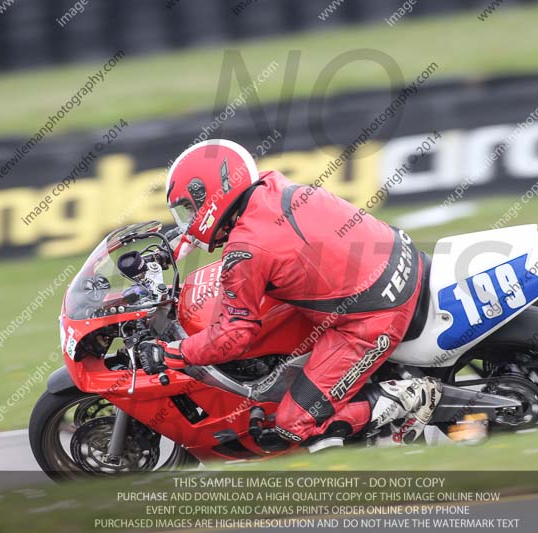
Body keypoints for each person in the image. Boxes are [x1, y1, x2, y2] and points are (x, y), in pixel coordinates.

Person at [138, 139, 442, 451]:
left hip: (376, 314)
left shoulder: (245, 250)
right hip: (400, 261)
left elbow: (235, 335)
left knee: (293, 423)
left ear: (210, 195)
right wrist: (171, 248)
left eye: (190, 208)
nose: (189, 219)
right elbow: (224, 233)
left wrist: (171, 353)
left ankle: (411, 394)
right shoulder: (269, 185)